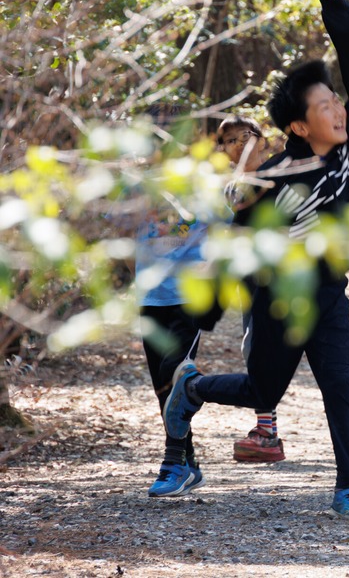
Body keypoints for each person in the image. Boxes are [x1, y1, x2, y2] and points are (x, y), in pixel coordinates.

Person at [163, 0, 349, 518]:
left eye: (336, 100)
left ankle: (347, 486)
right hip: (277, 301)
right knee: (263, 389)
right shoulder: (273, 178)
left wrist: (343, 21)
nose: (337, 109)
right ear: (300, 128)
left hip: (328, 296)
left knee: (339, 391)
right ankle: (190, 389)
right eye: (324, 106)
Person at [215, 115, 286, 464]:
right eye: (230, 140)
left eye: (246, 136)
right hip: (253, 283)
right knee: (255, 347)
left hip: (285, 277)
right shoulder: (231, 187)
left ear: (262, 138)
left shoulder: (280, 172)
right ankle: (266, 430)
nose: (240, 144)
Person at [137, 200, 214, 497]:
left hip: (190, 297)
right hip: (150, 298)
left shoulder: (203, 185)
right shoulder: (137, 187)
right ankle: (189, 464)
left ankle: (173, 463)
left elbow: (233, 226)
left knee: (174, 373)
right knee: (162, 386)